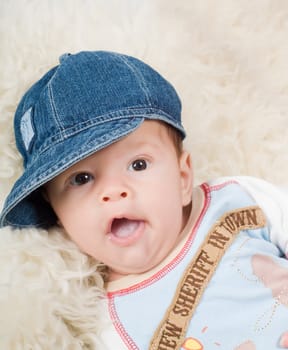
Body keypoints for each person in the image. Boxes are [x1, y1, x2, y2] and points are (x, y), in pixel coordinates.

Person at [1, 50, 288, 349]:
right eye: (82, 178)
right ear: (57, 214)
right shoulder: (108, 327)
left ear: (182, 176)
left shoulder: (239, 199)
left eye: (138, 164)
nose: (113, 192)